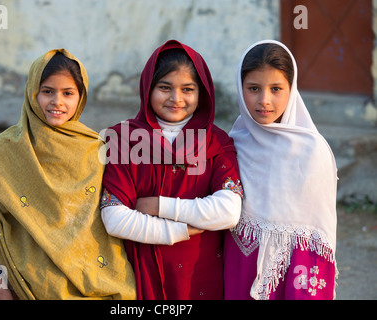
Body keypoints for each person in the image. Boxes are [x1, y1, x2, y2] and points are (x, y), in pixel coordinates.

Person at [0, 49, 136, 300]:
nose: (57, 102)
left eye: (68, 93)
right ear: (32, 92)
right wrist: (0, 286)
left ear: (80, 97)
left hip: (93, 285)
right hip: (27, 285)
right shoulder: (9, 147)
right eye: (47, 91)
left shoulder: (95, 148)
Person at [100, 40, 242, 300]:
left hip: (202, 279)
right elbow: (115, 219)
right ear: (147, 88)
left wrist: (158, 206)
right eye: (164, 87)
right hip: (139, 276)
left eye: (187, 89)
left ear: (202, 93)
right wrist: (181, 230)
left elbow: (229, 212)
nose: (176, 99)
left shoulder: (216, 142)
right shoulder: (123, 139)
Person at [224, 40, 338, 300]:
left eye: (276, 89)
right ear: (241, 90)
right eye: (254, 88)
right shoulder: (233, 143)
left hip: (296, 273)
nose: (264, 100)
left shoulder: (312, 152)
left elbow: (313, 235)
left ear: (292, 89)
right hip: (240, 264)